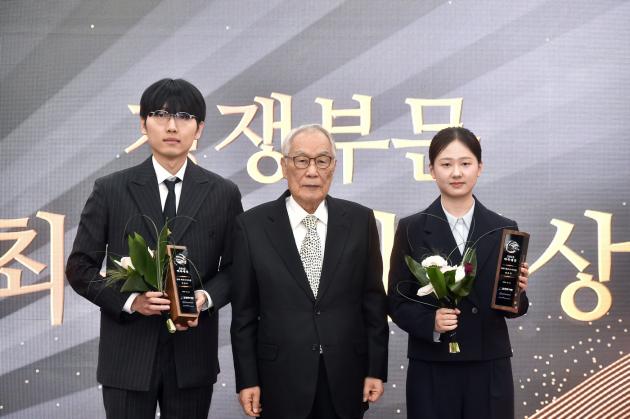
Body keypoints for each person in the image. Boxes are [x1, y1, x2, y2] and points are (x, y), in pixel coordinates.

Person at [66, 78, 243, 419]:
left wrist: (203, 299)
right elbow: (79, 267)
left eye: (184, 116)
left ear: (199, 128)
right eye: (161, 115)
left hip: (192, 357)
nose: (172, 126)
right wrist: (131, 302)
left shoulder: (223, 193)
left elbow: (237, 268)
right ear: (143, 123)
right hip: (127, 357)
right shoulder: (111, 190)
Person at [230, 124, 389, 419]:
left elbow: (374, 303)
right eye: (302, 160)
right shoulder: (251, 227)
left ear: (334, 166)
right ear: (284, 166)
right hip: (279, 378)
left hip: (346, 375)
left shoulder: (360, 221)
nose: (312, 171)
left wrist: (375, 369)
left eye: (322, 160)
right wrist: (247, 379)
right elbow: (244, 314)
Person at [387, 127, 530, 419]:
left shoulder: (504, 228)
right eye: (446, 164)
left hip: (488, 365)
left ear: (479, 167)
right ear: (431, 170)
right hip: (432, 366)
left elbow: (513, 309)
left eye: (465, 163)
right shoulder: (411, 228)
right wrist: (430, 322)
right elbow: (397, 301)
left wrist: (518, 292)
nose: (456, 173)